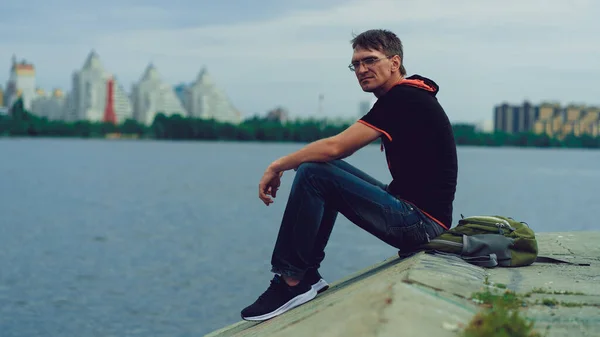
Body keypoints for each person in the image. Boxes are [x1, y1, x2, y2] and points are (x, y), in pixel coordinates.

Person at [241, 29, 458, 321]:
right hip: (416, 214)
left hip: (422, 225)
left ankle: (293, 281)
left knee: (316, 172)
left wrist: (277, 165)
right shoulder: (406, 96)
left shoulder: (404, 98)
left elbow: (336, 147)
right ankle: (305, 275)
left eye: (370, 60)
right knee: (316, 170)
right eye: (355, 64)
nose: (361, 69)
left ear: (395, 63)